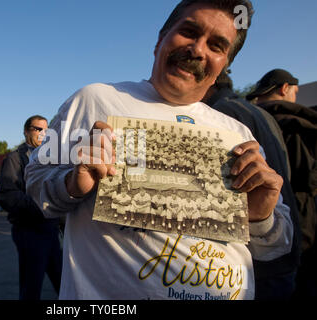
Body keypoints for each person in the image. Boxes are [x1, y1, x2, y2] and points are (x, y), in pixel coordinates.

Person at [25, 0, 294, 300]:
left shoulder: (237, 134)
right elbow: (35, 180)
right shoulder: (94, 100)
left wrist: (261, 215)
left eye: (217, 46)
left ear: (224, 66)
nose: (197, 50)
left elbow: (276, 245)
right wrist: (72, 184)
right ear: (160, 39)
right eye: (189, 31)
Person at [202, 71, 302, 300]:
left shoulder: (221, 117)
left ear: (210, 84)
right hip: (284, 245)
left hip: (261, 259)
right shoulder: (260, 113)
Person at [247, 69, 317, 299]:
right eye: (295, 91)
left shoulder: (245, 119)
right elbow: (308, 179)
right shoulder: (299, 125)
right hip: (301, 225)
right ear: (285, 88)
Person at [0, 115, 62, 300]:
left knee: (63, 281)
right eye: (38, 129)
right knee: (31, 286)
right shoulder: (15, 158)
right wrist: (40, 207)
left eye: (46, 129)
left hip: (51, 229)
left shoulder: (50, 156)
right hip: (29, 230)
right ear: (26, 132)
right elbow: (7, 194)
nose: (43, 133)